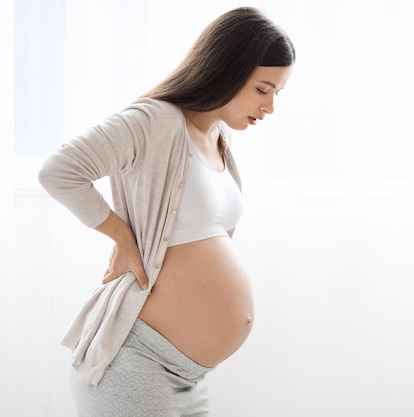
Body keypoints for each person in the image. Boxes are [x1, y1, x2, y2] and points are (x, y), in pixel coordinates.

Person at [38, 7, 295, 416]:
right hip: (138, 364)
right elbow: (59, 171)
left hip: (187, 377)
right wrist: (122, 237)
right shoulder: (156, 120)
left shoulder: (218, 138)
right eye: (262, 89)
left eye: (277, 94)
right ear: (226, 70)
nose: (270, 107)